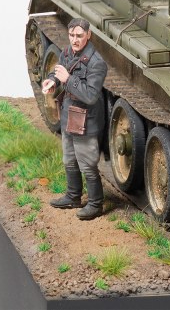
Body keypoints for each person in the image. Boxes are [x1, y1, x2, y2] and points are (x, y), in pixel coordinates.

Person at [42, 18, 108, 220]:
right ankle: (73, 196)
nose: (74, 40)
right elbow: (59, 70)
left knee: (87, 164)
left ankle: (95, 204)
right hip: (68, 115)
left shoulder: (97, 63)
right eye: (71, 35)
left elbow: (91, 95)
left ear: (88, 35)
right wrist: (52, 81)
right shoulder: (67, 52)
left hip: (85, 120)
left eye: (79, 35)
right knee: (69, 159)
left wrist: (68, 80)